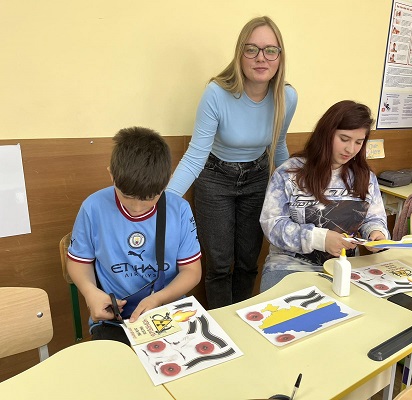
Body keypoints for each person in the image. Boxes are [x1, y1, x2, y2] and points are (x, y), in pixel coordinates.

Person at [167, 16, 298, 309]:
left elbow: (278, 146)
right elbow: (195, 155)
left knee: (249, 261)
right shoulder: (216, 93)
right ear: (240, 54)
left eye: (270, 50)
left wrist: (298, 192)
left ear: (280, 56)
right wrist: (164, 204)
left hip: (257, 177)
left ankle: (242, 321)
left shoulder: (287, 97)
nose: (261, 58)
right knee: (219, 264)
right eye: (252, 49)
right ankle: (221, 325)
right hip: (215, 177)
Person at [67, 127, 202, 344]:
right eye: (127, 196)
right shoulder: (93, 207)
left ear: (166, 182)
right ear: (112, 175)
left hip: (169, 309)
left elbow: (192, 271)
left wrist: (159, 298)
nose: (137, 208)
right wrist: (90, 292)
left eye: (149, 198)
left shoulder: (179, 210)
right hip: (115, 320)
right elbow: (78, 262)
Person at [259, 100, 389, 291]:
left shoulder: (365, 177)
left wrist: (376, 233)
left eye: (358, 142)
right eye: (344, 139)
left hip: (343, 267)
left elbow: (374, 218)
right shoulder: (288, 173)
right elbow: (273, 225)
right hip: (290, 266)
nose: (350, 149)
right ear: (326, 133)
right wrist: (319, 239)